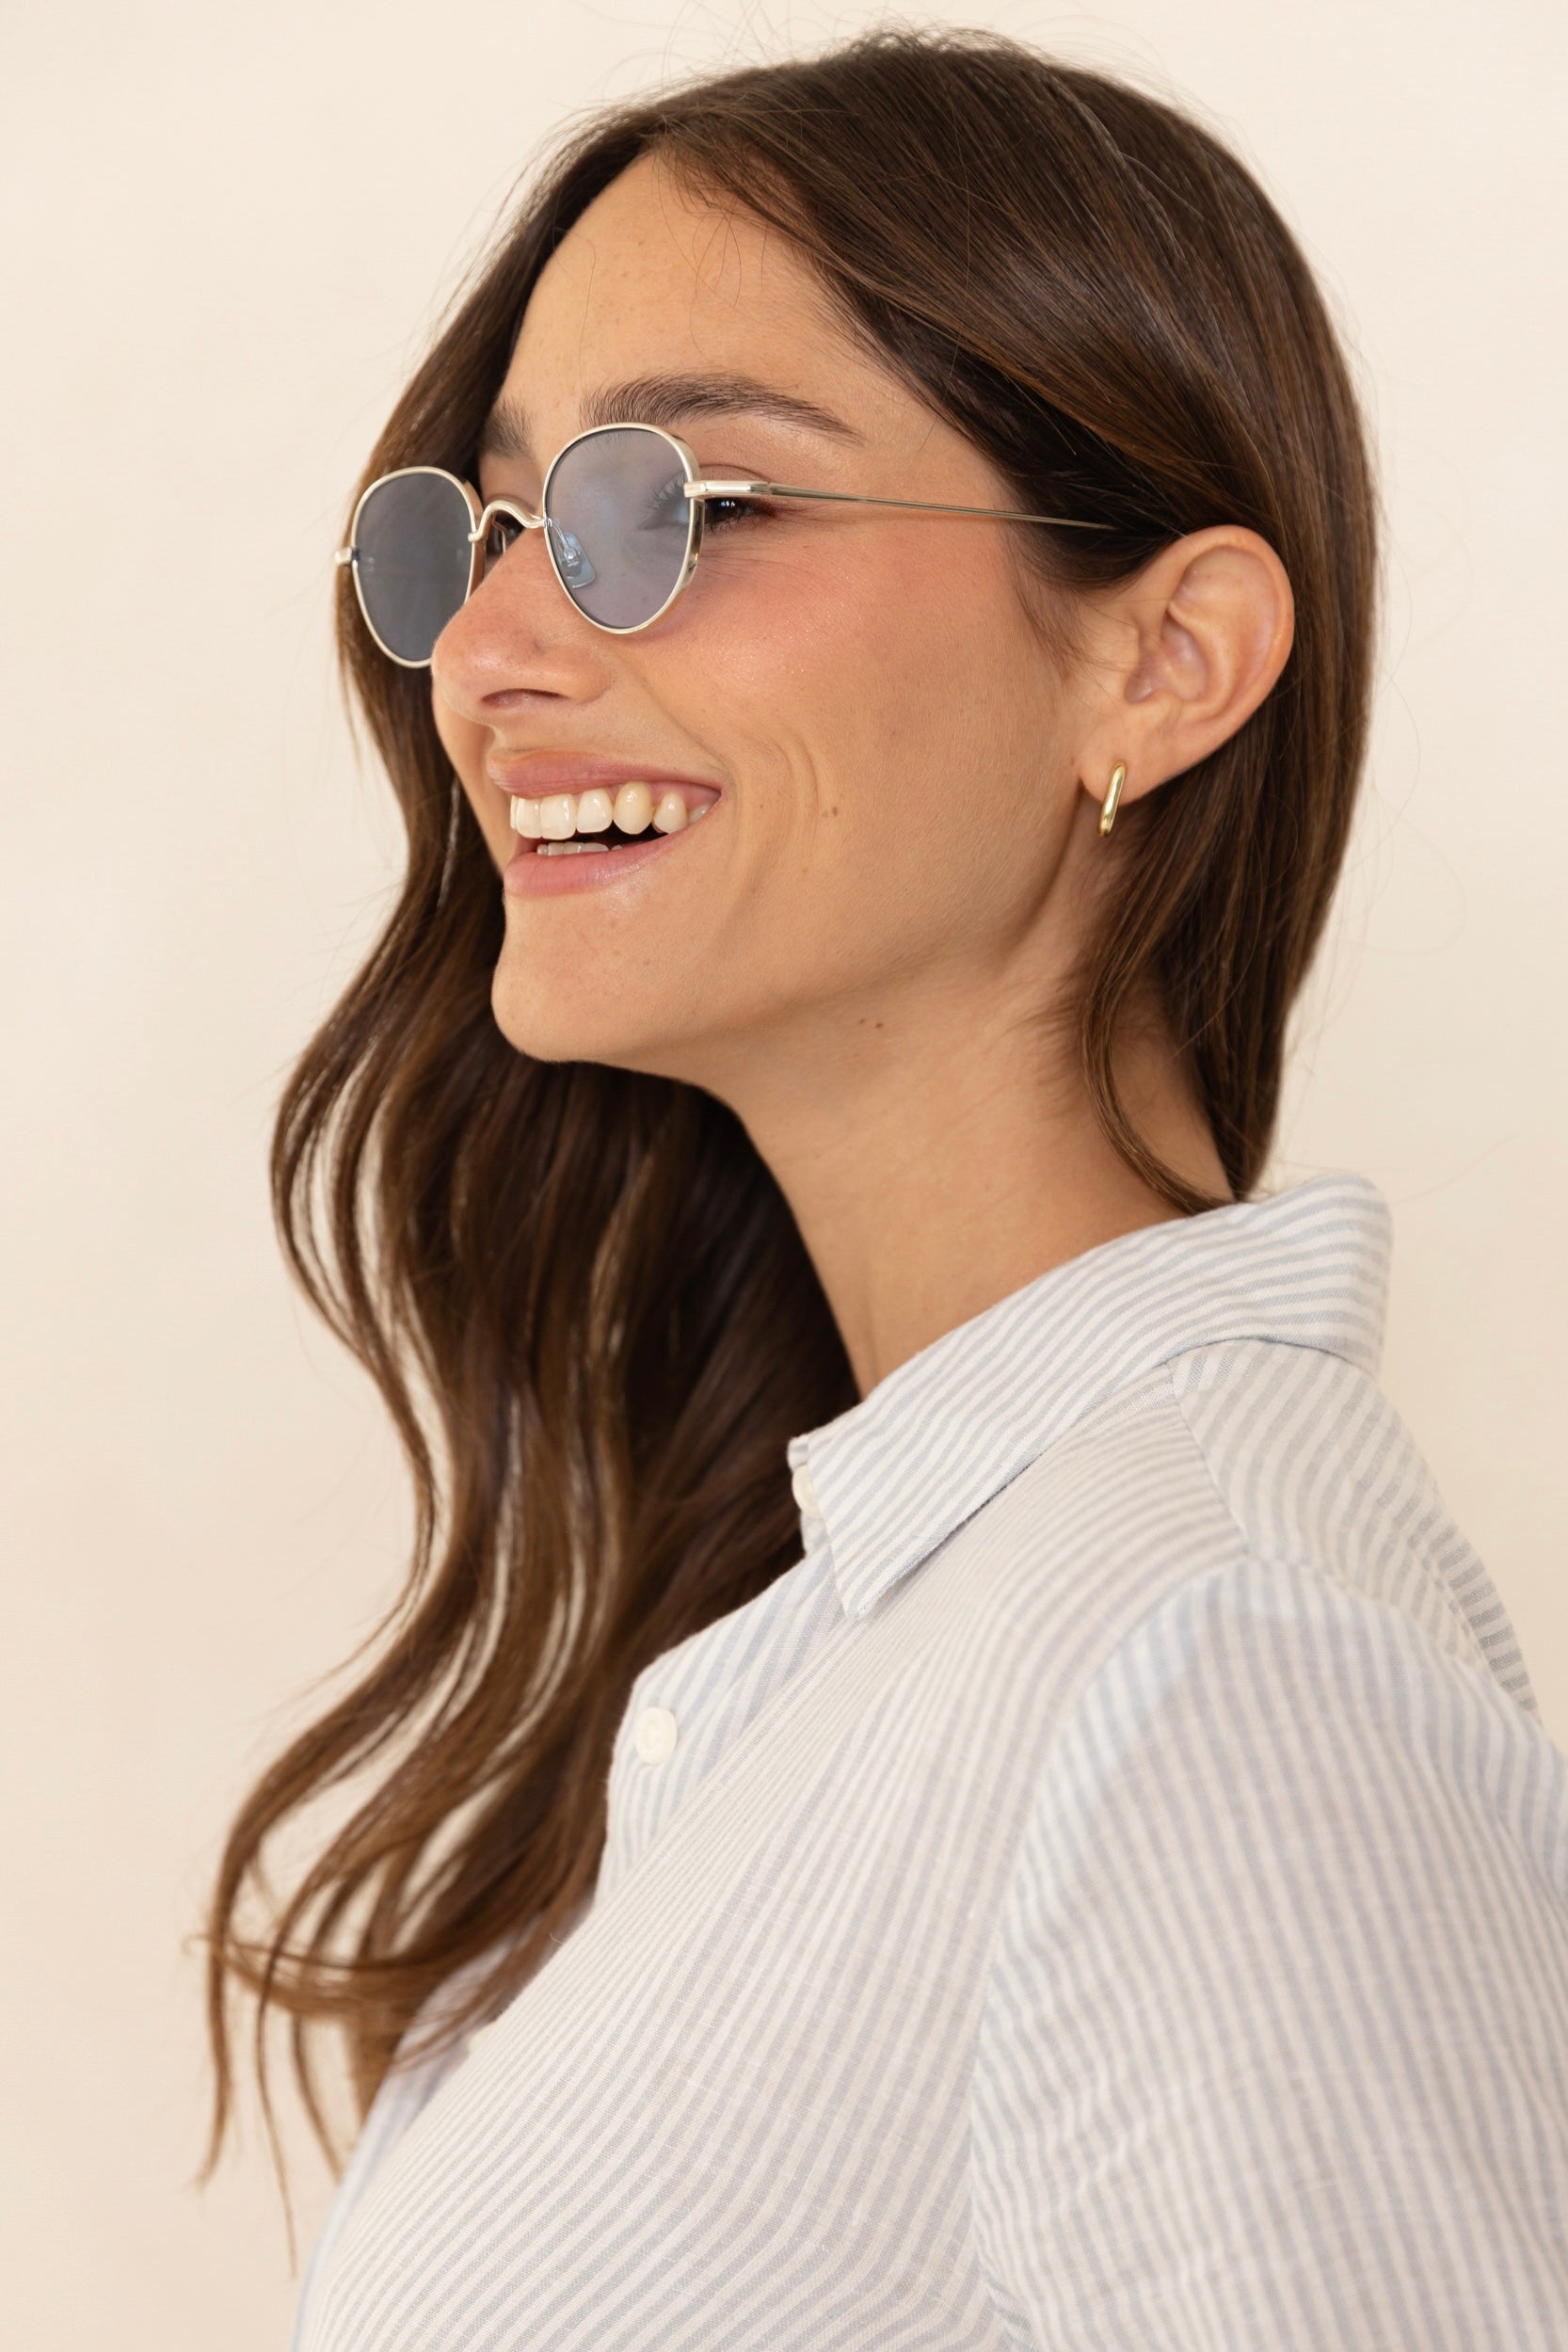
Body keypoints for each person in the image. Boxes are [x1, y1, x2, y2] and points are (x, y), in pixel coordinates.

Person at [206, 28, 1568, 2349]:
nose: (493, 657)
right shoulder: (832, 1638)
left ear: (1162, 660)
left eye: (680, 506)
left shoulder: (1214, 1669)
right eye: (490, 530)